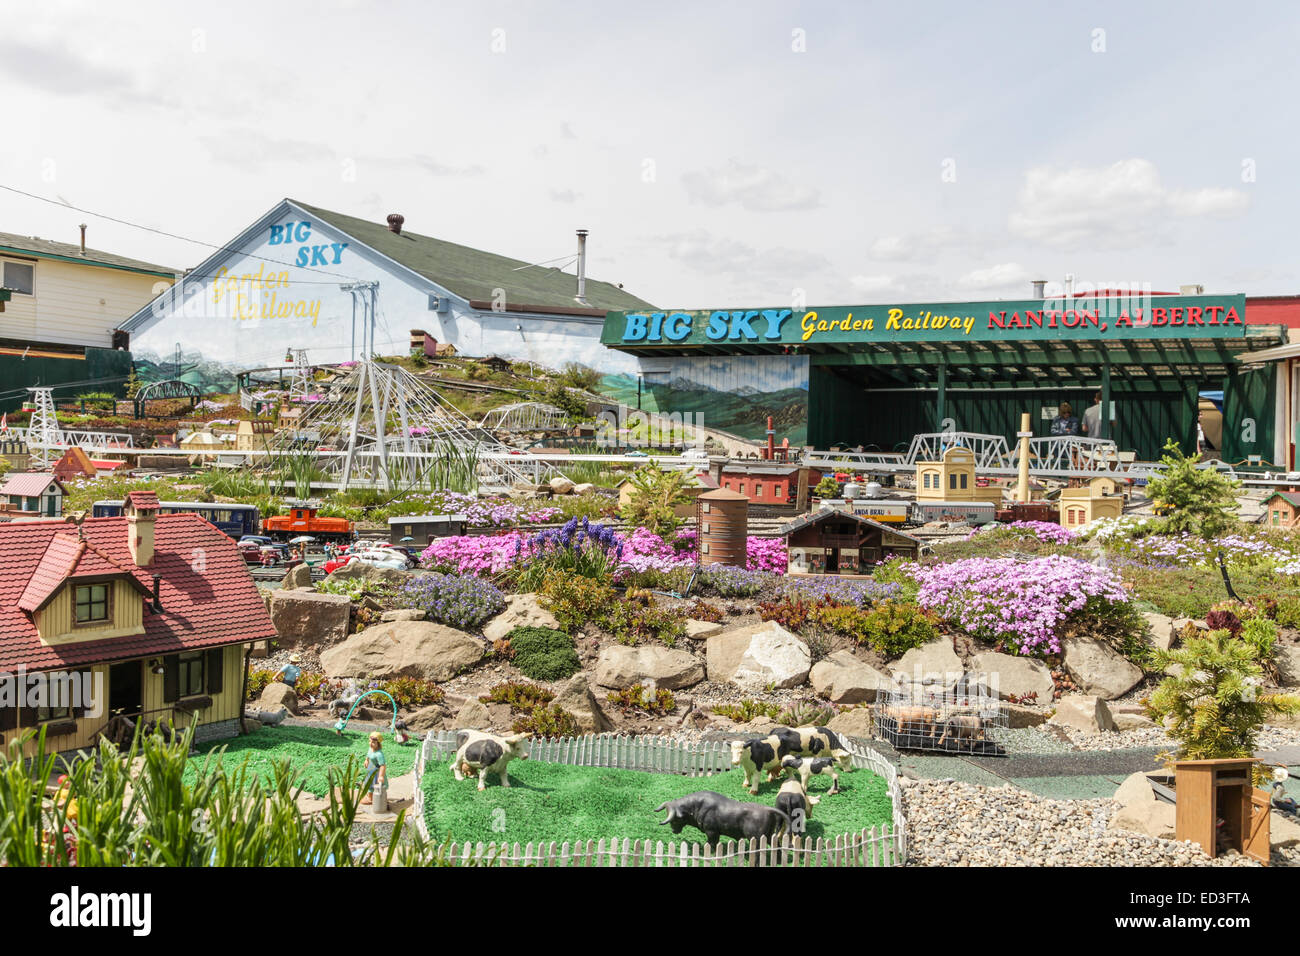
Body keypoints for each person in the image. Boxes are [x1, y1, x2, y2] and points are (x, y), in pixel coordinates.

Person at [361, 731, 387, 805]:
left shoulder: (379, 754)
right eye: (370, 741)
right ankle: (369, 796)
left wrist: (381, 776)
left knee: (372, 784)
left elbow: (383, 765)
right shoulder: (371, 749)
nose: (370, 744)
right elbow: (368, 754)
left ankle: (370, 799)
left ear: (378, 744)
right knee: (368, 782)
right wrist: (366, 760)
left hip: (376, 771)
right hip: (370, 769)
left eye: (373, 742)